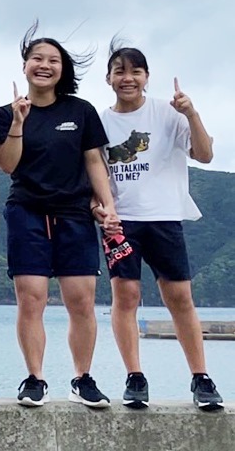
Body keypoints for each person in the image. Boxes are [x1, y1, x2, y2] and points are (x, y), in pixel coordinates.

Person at [0, 24, 119, 408]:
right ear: (25, 65)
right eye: (37, 59)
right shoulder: (5, 114)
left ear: (63, 69)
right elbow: (7, 165)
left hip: (74, 214)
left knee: (81, 301)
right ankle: (35, 378)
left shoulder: (80, 111)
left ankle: (82, 379)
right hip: (27, 212)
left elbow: (94, 161)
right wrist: (17, 123)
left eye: (53, 60)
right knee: (31, 299)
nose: (44, 66)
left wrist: (107, 205)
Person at [100, 44, 223, 411]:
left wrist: (191, 113)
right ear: (108, 78)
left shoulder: (169, 113)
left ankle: (201, 377)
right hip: (121, 220)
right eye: (120, 71)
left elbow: (205, 155)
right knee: (125, 296)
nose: (127, 78)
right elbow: (94, 173)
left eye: (135, 71)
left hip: (165, 217)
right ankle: (135, 377)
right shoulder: (100, 122)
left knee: (180, 297)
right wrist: (100, 210)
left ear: (146, 77)